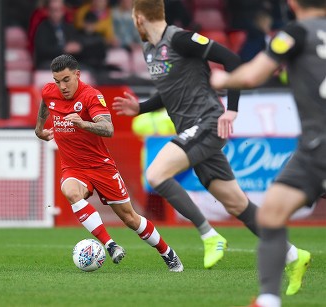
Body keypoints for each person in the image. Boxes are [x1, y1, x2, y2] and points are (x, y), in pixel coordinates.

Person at [112, 0, 309, 290]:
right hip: (191, 129)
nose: (133, 25)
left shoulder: (181, 38)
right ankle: (294, 255)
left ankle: (209, 235)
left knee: (155, 175)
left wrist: (232, 109)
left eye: (133, 19)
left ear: (140, 18)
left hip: (208, 122)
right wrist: (140, 108)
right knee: (237, 204)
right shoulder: (150, 50)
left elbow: (232, 60)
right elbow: (168, 92)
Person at [210, 0, 324, 305]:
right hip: (316, 148)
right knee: (273, 209)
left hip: (319, 146)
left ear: (292, 4)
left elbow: (251, 76)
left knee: (272, 214)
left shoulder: (293, 34)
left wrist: (223, 80)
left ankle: (269, 299)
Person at [35, 54, 184, 272]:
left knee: (130, 219)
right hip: (73, 167)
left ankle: (167, 253)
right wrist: (39, 129)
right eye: (58, 81)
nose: (62, 86)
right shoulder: (50, 91)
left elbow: (108, 129)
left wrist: (83, 123)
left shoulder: (91, 96)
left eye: (66, 79)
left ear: (77, 74)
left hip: (101, 167)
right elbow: (45, 103)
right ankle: (110, 244)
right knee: (70, 191)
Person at [33, 0, 81, 69]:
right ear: (48, 11)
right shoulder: (42, 28)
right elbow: (42, 50)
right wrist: (63, 49)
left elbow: (77, 43)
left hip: (68, 63)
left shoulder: (69, 27)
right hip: (49, 63)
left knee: (85, 69)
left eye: (58, 9)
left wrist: (77, 47)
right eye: (52, 10)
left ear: (63, 10)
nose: (55, 13)